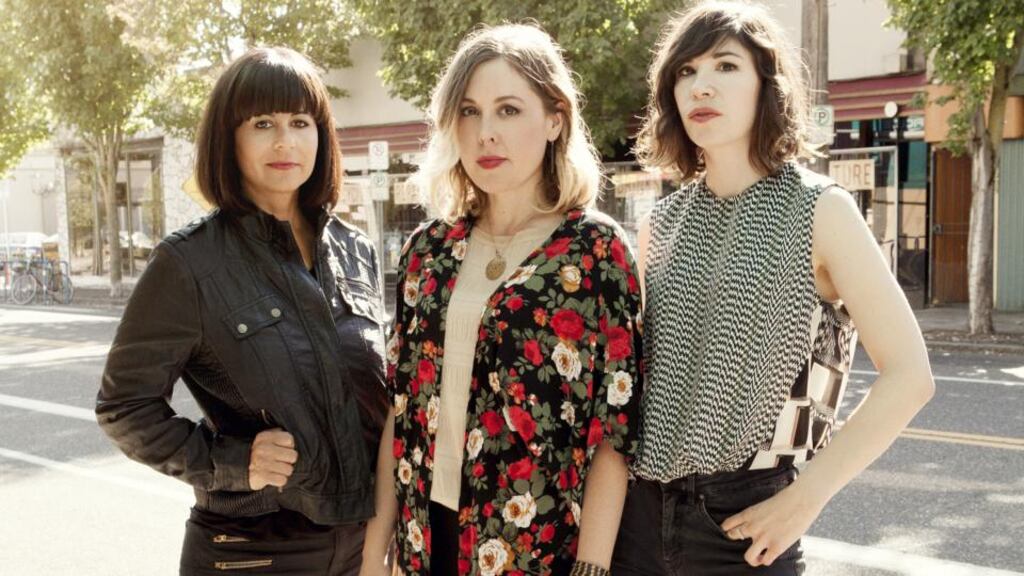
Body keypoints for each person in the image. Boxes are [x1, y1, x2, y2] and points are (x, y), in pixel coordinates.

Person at [610, 2, 935, 575]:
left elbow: (911, 375)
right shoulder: (658, 224)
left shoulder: (821, 209)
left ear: (769, 85)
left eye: (726, 66)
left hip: (743, 525)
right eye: (685, 71)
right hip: (636, 520)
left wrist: (804, 499)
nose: (700, 86)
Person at [359, 23, 643, 576]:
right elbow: (403, 408)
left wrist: (592, 567)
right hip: (428, 537)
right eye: (469, 111)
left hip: (538, 547)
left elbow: (614, 430)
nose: (485, 133)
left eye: (508, 110)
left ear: (555, 119)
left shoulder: (596, 251)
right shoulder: (428, 251)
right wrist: (376, 550)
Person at [96, 47, 390, 575]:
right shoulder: (189, 262)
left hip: (362, 551)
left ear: (321, 135)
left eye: (301, 121)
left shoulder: (356, 249)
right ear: (228, 139)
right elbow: (124, 407)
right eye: (262, 123)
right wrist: (233, 461)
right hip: (250, 553)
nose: (285, 140)